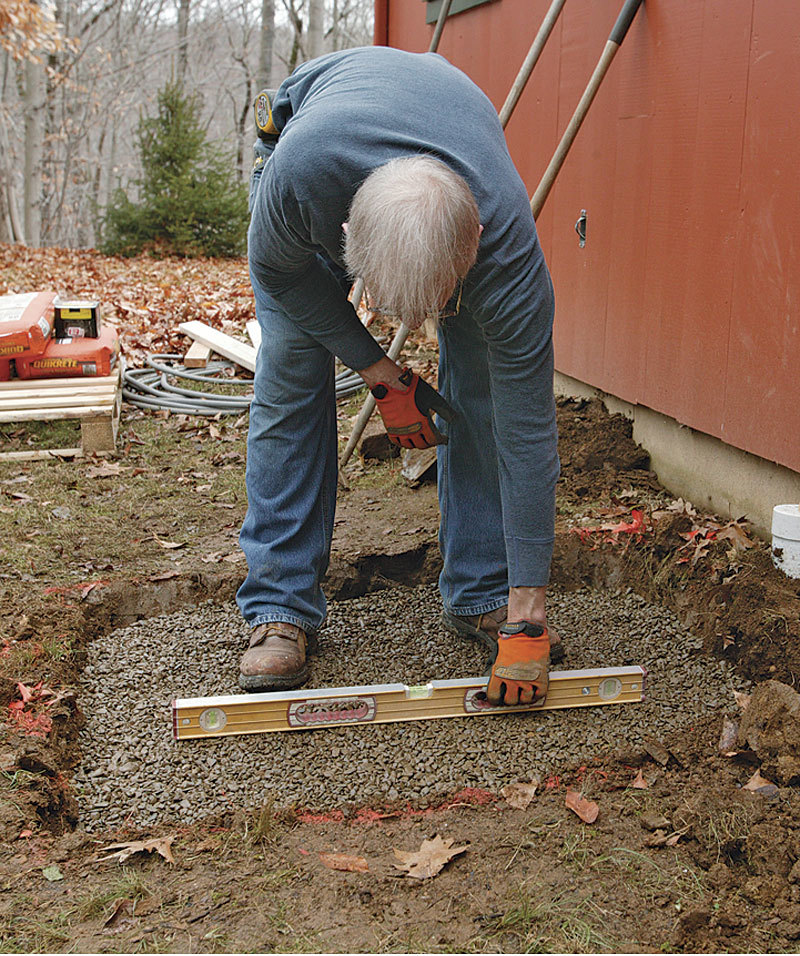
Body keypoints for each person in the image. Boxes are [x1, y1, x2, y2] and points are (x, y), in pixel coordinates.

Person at [237, 46, 561, 706]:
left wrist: (529, 612)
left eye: (445, 298)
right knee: (293, 371)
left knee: (488, 395)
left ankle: (487, 591)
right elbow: (281, 278)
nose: (433, 316)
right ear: (348, 239)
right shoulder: (299, 185)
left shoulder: (507, 252)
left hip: (449, 138)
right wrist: (381, 374)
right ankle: (280, 605)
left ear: (473, 245)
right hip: (317, 146)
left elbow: (529, 439)